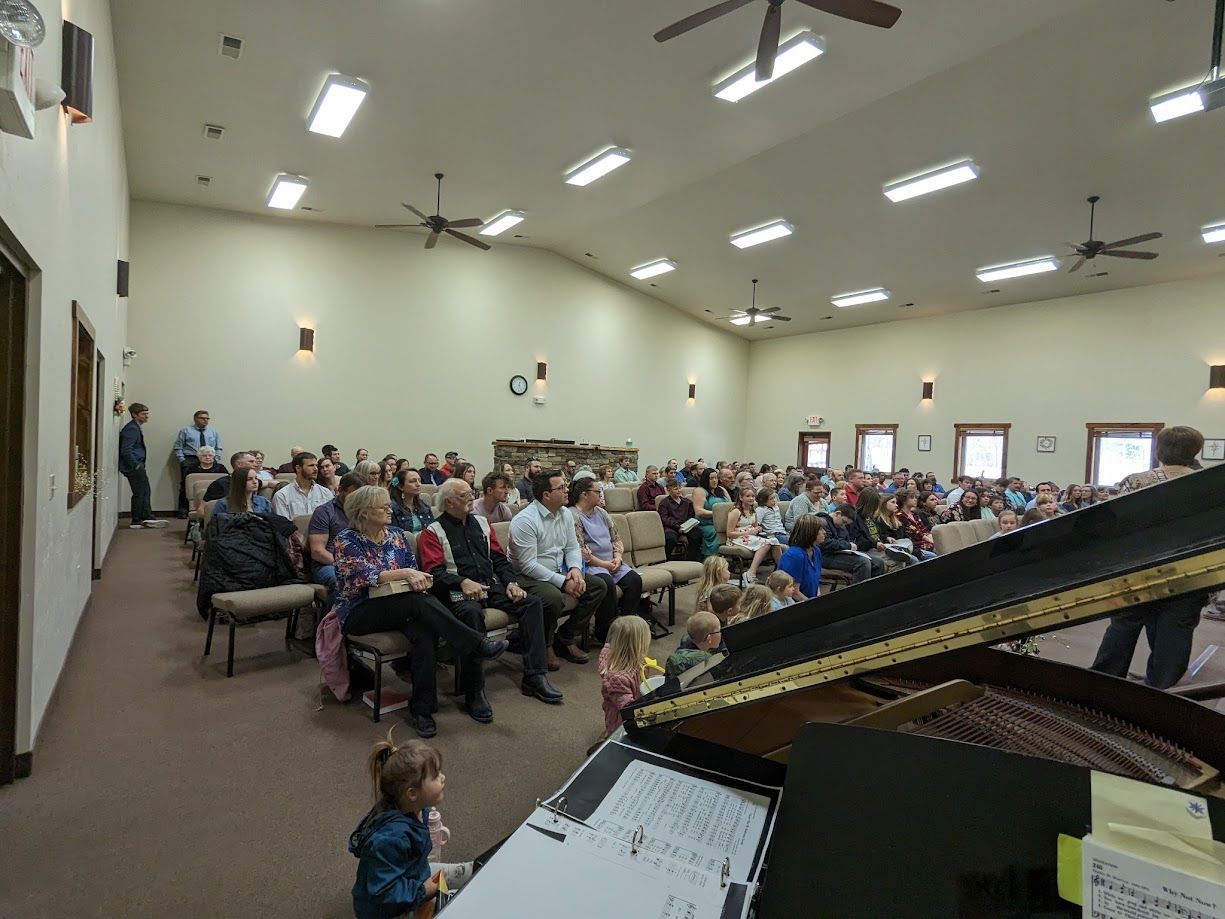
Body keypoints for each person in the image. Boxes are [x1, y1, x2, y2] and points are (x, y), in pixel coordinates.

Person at [334, 486, 508, 738]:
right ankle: (476, 642)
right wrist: (406, 574)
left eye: (387, 505)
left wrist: (417, 579)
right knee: (417, 604)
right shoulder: (346, 539)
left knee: (424, 632)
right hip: (360, 611)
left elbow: (414, 569)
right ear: (363, 512)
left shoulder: (396, 535)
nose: (388, 510)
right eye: (382, 506)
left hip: (400, 604)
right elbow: (363, 577)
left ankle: (422, 710)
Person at [418, 479, 563, 714]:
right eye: (465, 494)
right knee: (471, 614)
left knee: (532, 602)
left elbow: (499, 559)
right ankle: (473, 691)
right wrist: (462, 582)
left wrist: (511, 583)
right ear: (449, 502)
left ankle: (535, 676)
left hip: (488, 586)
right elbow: (434, 572)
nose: (471, 497)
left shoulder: (483, 524)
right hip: (456, 593)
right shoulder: (433, 532)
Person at [1090, 426, 1207, 689]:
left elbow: (1115, 527)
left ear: (1159, 450)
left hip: (1139, 568)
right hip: (1189, 569)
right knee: (1175, 631)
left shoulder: (1137, 481)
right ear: (1195, 451)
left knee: (1123, 625)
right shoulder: (1208, 482)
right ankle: (1161, 690)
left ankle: (1103, 683)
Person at [349, 730, 473, 919]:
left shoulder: (413, 808)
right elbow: (385, 894)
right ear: (412, 793)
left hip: (411, 874)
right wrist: (424, 890)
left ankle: (476, 869)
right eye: (435, 775)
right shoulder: (390, 839)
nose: (443, 777)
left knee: (460, 872)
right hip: (386, 908)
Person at [509, 469, 608, 669]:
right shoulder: (525, 520)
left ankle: (565, 637)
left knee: (598, 585)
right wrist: (564, 582)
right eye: (561, 487)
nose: (567, 490)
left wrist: (575, 570)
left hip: (558, 570)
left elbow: (572, 547)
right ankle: (546, 645)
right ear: (546, 494)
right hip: (527, 575)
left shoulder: (564, 513)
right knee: (553, 597)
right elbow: (528, 565)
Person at [570, 478, 644, 644]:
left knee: (634, 580)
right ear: (584, 494)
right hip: (593, 566)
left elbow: (616, 538)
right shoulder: (573, 515)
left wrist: (617, 557)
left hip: (612, 562)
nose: (601, 495)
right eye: (598, 492)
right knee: (607, 584)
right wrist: (604, 564)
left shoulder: (601, 513)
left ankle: (626, 627)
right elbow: (581, 551)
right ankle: (605, 634)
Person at [309, 472, 365, 608]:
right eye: (353, 495)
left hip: (360, 561)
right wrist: (346, 565)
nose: (357, 500)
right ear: (340, 490)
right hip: (328, 564)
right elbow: (317, 552)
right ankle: (337, 622)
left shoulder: (364, 512)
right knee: (341, 579)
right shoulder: (324, 512)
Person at [598, 616, 650, 737]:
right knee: (618, 734)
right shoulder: (618, 679)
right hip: (620, 717)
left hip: (629, 703)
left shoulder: (619, 656)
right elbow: (627, 708)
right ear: (637, 646)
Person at [118, 402, 165, 529]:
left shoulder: (135, 427)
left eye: (147, 413)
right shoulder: (132, 429)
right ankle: (138, 519)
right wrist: (136, 465)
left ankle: (146, 517)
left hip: (136, 465)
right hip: (133, 466)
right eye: (143, 414)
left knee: (144, 491)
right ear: (134, 414)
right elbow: (126, 450)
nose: (147, 416)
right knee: (140, 492)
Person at [172, 409, 222, 518]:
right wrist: (183, 461)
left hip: (210, 459)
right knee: (186, 485)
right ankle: (183, 510)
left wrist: (216, 459)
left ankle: (209, 508)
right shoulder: (186, 431)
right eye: (202, 418)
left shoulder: (213, 432)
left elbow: (218, 447)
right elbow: (178, 447)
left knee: (210, 483)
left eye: (207, 418)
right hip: (191, 459)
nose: (205, 421)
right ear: (195, 419)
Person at [725, 486, 775, 585]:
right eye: (748, 496)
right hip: (737, 538)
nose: (751, 498)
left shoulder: (753, 511)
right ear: (741, 498)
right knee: (767, 543)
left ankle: (780, 573)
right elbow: (729, 533)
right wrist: (748, 533)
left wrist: (758, 529)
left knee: (775, 543)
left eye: (753, 496)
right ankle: (751, 573)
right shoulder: (735, 512)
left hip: (751, 536)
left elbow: (755, 527)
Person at [271, 451, 332, 519]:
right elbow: (283, 525)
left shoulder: (326, 493)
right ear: (298, 468)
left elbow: (333, 520)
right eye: (311, 465)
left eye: (316, 466)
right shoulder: (282, 496)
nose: (316, 469)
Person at [778, 514, 823, 600]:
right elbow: (794, 592)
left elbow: (816, 583)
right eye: (820, 529)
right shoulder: (794, 556)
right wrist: (816, 607)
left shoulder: (816, 551)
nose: (824, 532)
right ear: (810, 532)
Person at [665, 611, 722, 680]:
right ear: (709, 638)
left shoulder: (686, 644)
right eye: (719, 631)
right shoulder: (704, 661)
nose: (721, 633)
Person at [657, 478, 701, 562]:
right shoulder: (664, 503)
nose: (679, 490)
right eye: (675, 489)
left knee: (697, 534)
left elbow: (691, 515)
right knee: (670, 538)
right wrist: (677, 527)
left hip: (686, 526)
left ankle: (691, 559)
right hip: (672, 527)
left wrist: (688, 525)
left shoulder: (687, 502)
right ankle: (667, 559)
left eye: (680, 488)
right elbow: (664, 518)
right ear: (669, 490)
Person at [692, 467, 731, 558]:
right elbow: (699, 511)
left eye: (716, 478)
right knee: (715, 532)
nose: (714, 481)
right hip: (707, 524)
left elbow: (730, 505)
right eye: (711, 478)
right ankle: (713, 559)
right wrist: (717, 514)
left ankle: (731, 557)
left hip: (724, 523)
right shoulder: (700, 491)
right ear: (706, 479)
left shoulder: (721, 489)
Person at [874, 493, 924, 564]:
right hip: (891, 550)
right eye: (893, 502)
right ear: (884, 504)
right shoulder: (878, 520)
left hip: (904, 548)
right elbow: (881, 536)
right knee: (914, 560)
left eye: (896, 503)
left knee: (931, 555)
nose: (896, 505)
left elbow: (906, 537)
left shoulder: (897, 520)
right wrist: (887, 538)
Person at [390, 468, 435, 533]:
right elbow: (394, 534)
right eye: (412, 481)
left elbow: (434, 529)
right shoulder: (392, 508)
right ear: (401, 487)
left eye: (419, 480)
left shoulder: (424, 506)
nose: (418, 484)